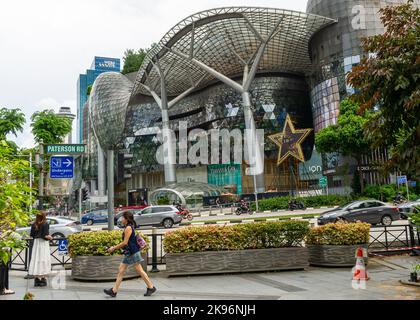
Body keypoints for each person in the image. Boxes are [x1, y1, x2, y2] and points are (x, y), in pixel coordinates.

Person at [104, 211, 156, 298]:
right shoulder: (128, 227)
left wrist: (113, 248)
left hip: (132, 253)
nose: (121, 219)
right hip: (130, 252)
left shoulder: (128, 228)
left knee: (138, 270)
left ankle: (151, 287)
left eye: (123, 218)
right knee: (122, 270)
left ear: (126, 219)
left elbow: (125, 242)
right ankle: (114, 291)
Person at [28, 211, 52, 287]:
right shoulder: (45, 224)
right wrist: (50, 237)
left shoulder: (34, 224)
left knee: (36, 259)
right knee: (43, 259)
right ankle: (42, 279)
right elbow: (45, 235)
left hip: (36, 243)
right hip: (43, 244)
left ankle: (36, 279)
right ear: (44, 216)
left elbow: (32, 235)